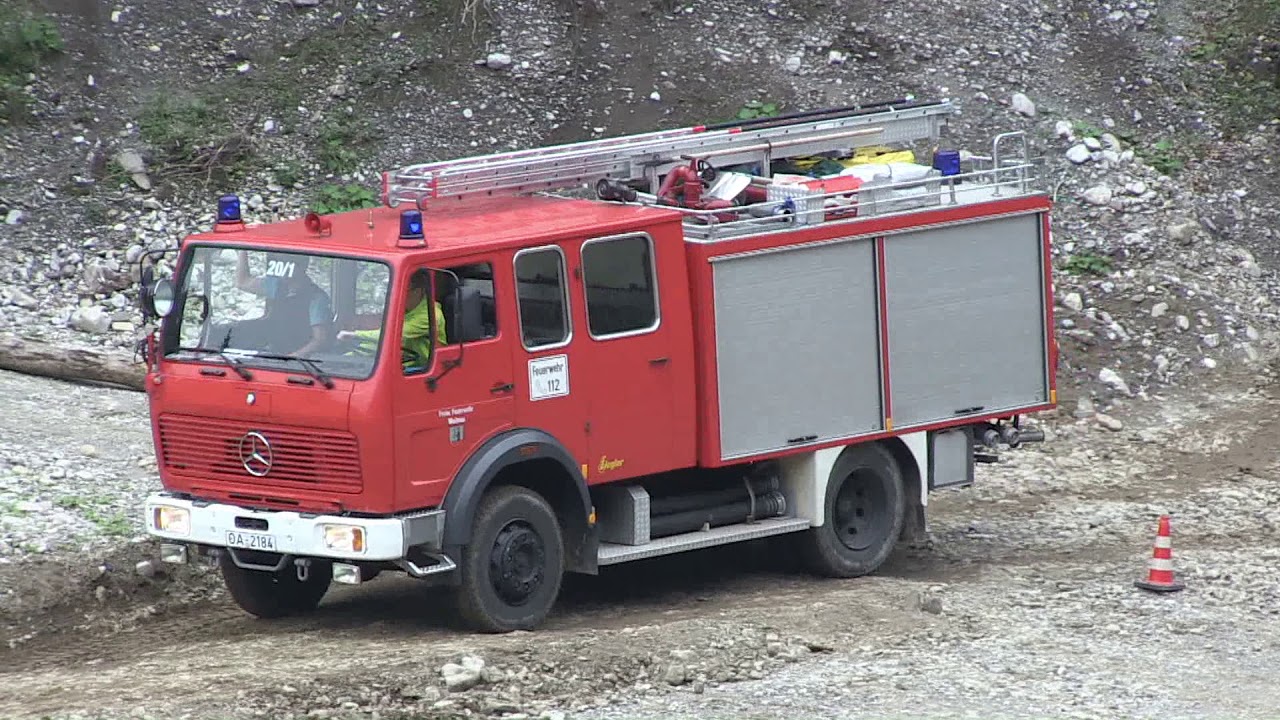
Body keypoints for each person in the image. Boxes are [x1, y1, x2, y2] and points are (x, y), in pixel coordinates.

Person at [340, 268, 446, 370]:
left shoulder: (430, 315)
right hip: (404, 363)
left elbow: (391, 335)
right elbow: (380, 343)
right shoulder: (403, 309)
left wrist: (354, 334)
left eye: (404, 290)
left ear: (418, 291)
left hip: (423, 368)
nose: (397, 295)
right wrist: (347, 357)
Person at [232, 250, 334, 356]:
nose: (282, 270)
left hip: (300, 361)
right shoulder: (276, 286)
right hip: (274, 351)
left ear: (301, 267)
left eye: (286, 263)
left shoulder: (316, 297)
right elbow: (242, 282)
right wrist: (243, 250)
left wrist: (292, 357)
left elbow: (319, 339)